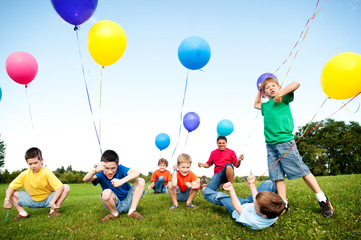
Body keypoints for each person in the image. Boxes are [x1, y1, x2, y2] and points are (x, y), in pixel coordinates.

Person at [254, 77, 335, 217]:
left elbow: (297, 83)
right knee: (277, 177)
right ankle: (283, 204)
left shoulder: (283, 98)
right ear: (264, 93)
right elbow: (256, 104)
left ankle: (322, 199)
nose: (271, 88)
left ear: (279, 87)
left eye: (274, 85)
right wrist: (259, 90)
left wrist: (280, 94)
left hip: (285, 143)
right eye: (267, 88)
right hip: (271, 146)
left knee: (302, 171)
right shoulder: (266, 106)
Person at [3, 147, 70, 220]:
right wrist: (7, 200)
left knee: (66, 187)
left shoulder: (46, 171)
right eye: (30, 164)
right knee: (8, 192)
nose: (33, 166)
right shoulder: (25, 174)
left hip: (48, 199)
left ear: (41, 160)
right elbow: (11, 186)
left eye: (35, 163)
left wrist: (53, 201)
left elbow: (59, 187)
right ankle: (22, 214)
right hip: (31, 200)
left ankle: (53, 211)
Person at [201, 174, 285, 230]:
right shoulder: (274, 212)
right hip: (248, 205)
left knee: (221, 197)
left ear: (264, 215)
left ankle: (204, 189)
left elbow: (237, 207)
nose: (254, 201)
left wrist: (231, 190)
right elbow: (256, 199)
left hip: (239, 208)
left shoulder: (252, 219)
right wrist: (252, 184)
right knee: (269, 184)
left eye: (255, 203)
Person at [83, 149, 145, 222]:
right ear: (103, 166)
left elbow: (136, 172)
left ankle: (132, 211)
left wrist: (121, 181)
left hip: (129, 201)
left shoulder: (120, 168)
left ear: (117, 166)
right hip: (115, 204)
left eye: (113, 168)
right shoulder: (100, 173)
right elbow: (85, 179)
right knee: (106, 192)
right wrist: (95, 170)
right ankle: (114, 214)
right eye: (107, 168)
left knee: (140, 180)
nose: (110, 171)